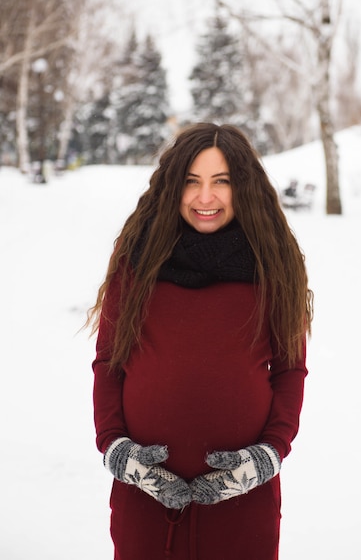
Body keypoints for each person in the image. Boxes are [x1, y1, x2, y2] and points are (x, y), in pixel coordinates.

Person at [88, 123, 313, 560]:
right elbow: (109, 363)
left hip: (244, 504)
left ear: (243, 188)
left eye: (221, 181)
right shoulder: (139, 258)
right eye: (191, 181)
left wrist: (269, 454)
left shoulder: (273, 264)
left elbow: (290, 370)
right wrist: (115, 447)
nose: (204, 197)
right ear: (173, 187)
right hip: (144, 499)